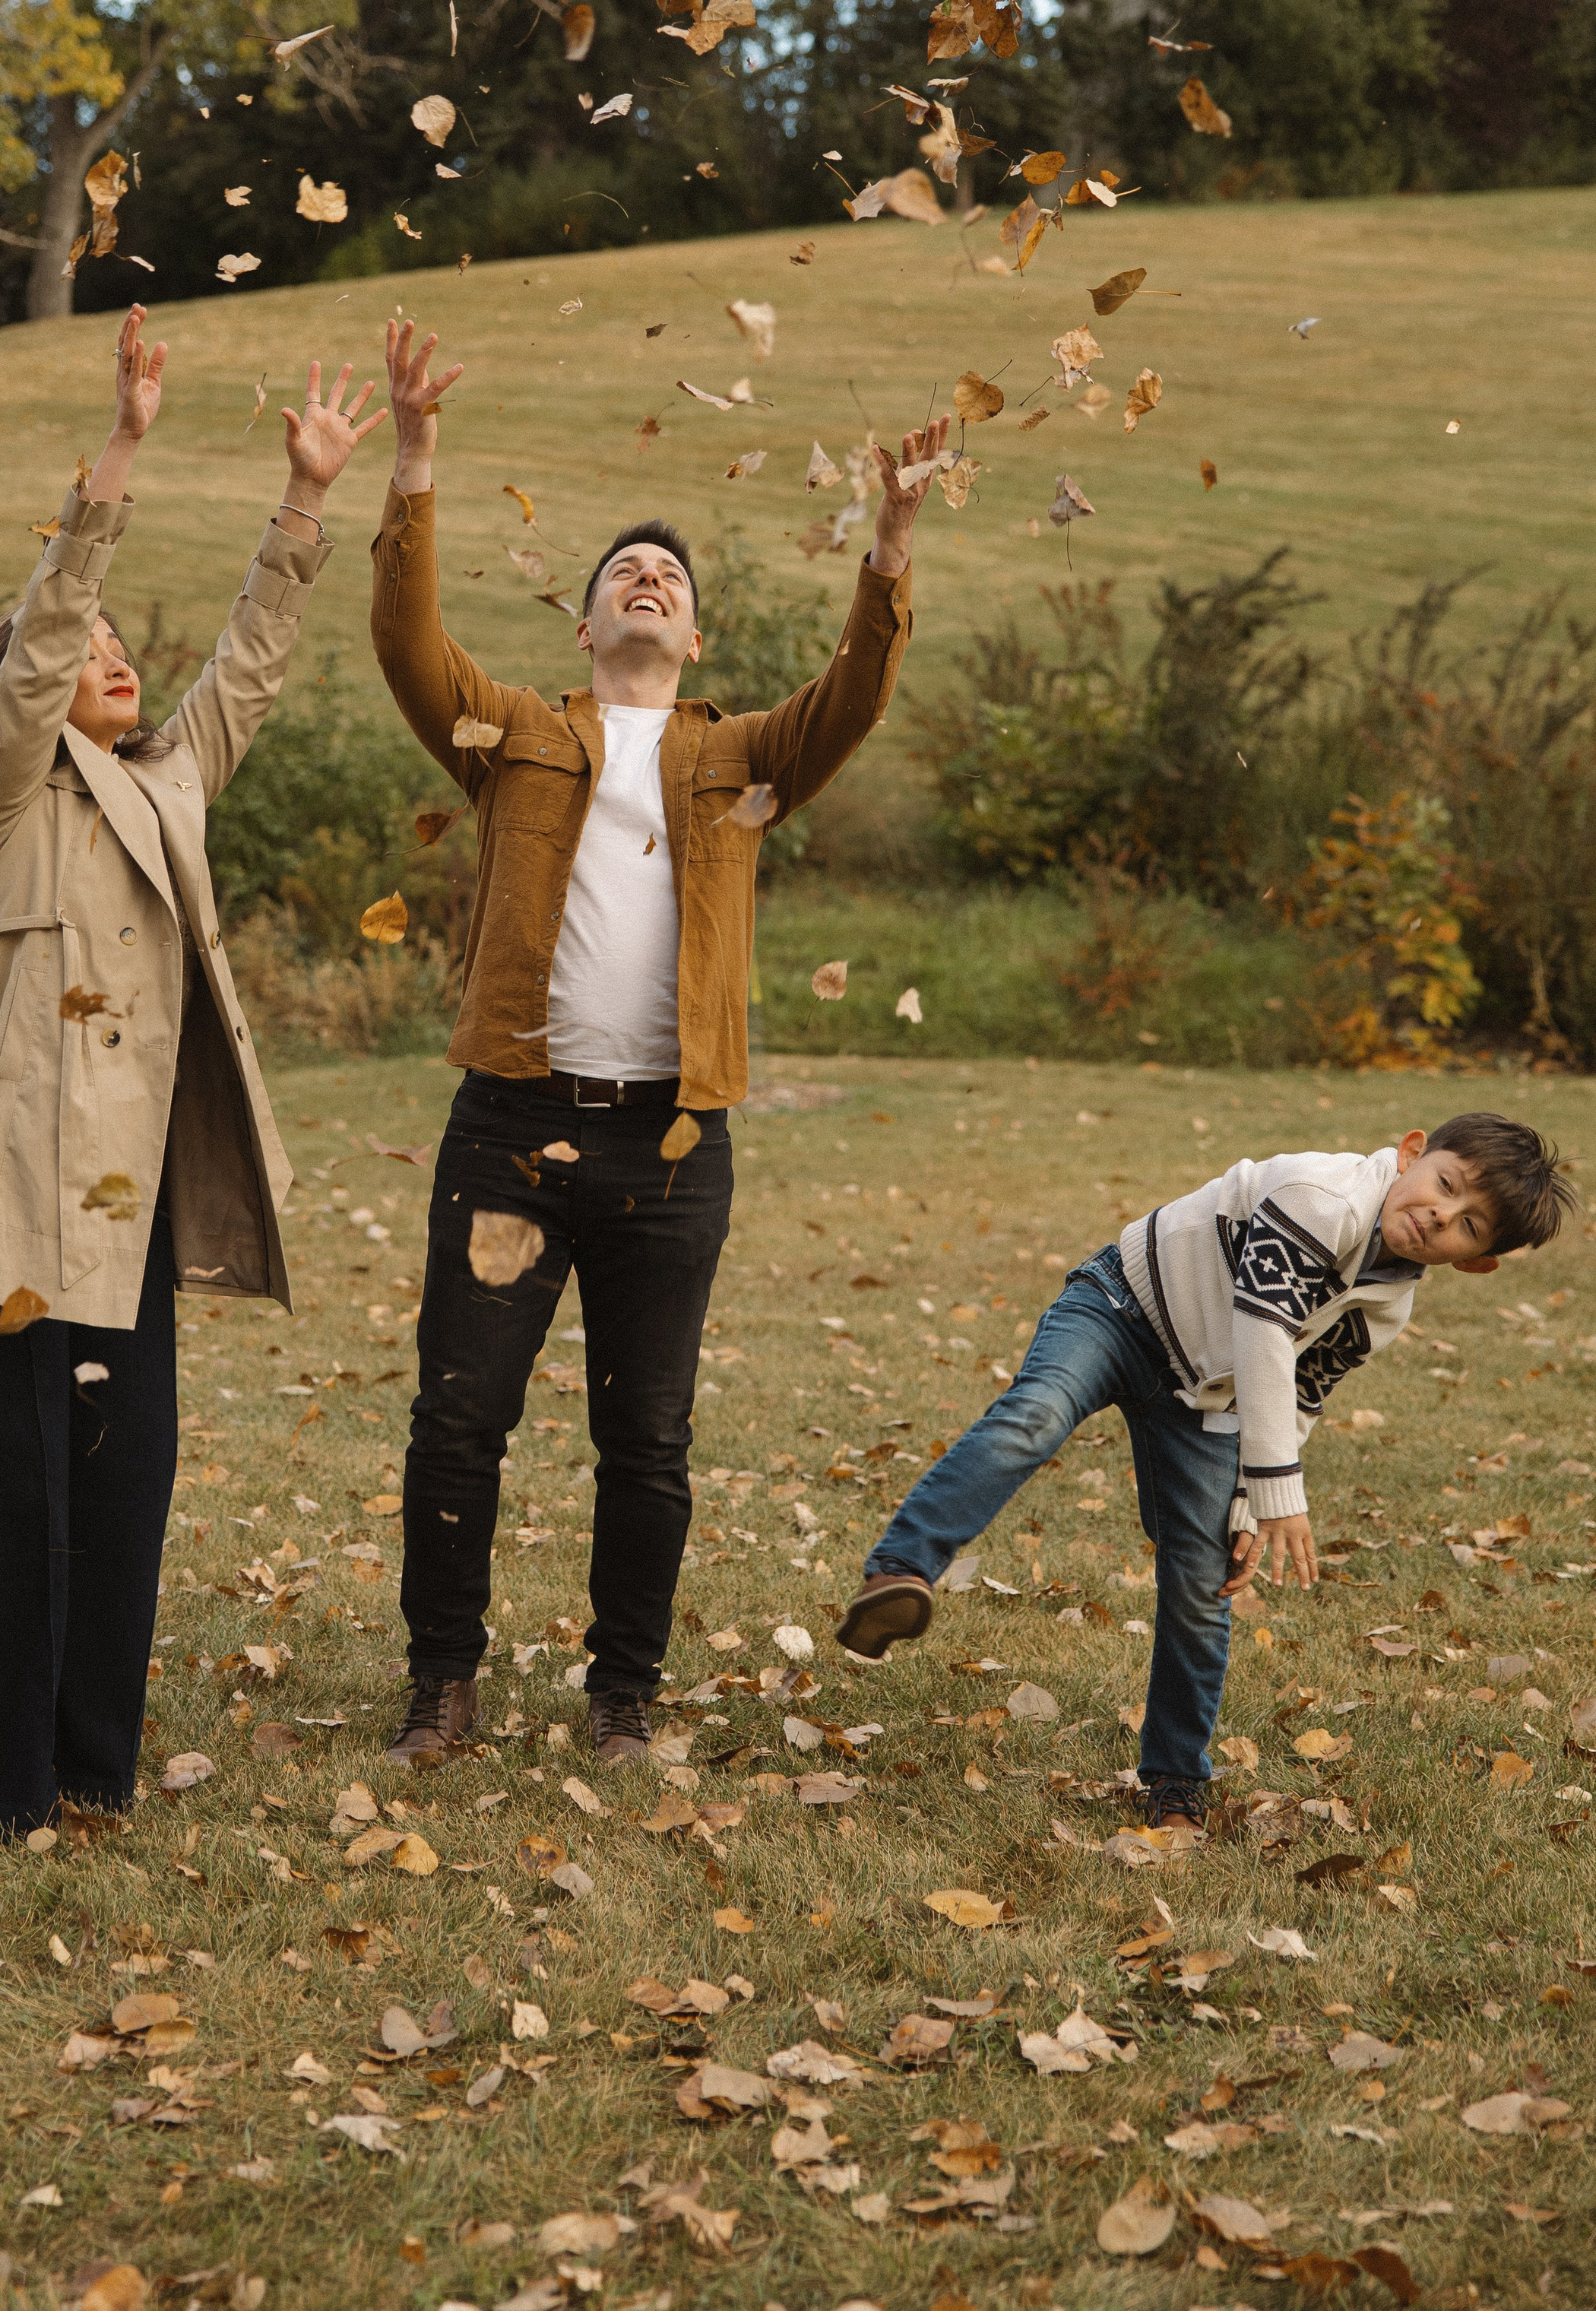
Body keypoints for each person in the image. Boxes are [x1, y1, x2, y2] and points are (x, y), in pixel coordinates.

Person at [369, 312, 952, 1769]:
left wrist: (888, 546)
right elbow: (404, 642)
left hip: (672, 1148)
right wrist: (419, 457)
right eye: (625, 570)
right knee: (459, 1425)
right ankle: (443, 1682)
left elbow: (857, 698)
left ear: (693, 638)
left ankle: (622, 1695)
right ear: (584, 626)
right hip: (511, 1126)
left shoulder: (738, 756)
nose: (649, 577)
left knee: (648, 1445)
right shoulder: (511, 730)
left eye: (672, 579)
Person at [0, 304, 384, 1836]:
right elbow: (35, 655)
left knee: (117, 1495)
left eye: (116, 645)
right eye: (86, 646)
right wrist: (119, 458)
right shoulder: (4, 803)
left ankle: (89, 1767)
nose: (110, 656)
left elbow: (248, 666)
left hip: (121, 1224)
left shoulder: (167, 793)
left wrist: (303, 500)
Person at [838, 1111, 1575, 1827]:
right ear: (1411, 1150)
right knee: (1034, 1418)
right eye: (1444, 1184)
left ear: (1477, 1263)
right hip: (1119, 1310)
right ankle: (899, 1573)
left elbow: (1300, 1393)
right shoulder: (1320, 1195)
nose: (1441, 1216)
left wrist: (1253, 1504)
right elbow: (1262, 1329)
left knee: (1205, 1577)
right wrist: (1283, 1494)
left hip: (1205, 1399)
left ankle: (1175, 1779)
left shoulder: (1387, 1306)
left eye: (1470, 1224)